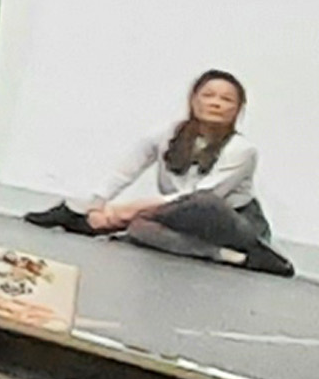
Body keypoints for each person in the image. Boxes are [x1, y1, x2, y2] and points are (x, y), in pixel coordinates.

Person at [38, 71, 284, 271]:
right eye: (208, 95)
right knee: (139, 228)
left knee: (203, 202)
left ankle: (89, 220)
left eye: (226, 100)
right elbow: (125, 171)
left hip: (228, 221)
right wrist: (95, 204)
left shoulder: (242, 150)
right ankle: (232, 258)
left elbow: (198, 196)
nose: (216, 103)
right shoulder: (167, 133)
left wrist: (121, 211)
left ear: (238, 109)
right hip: (177, 217)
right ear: (193, 100)